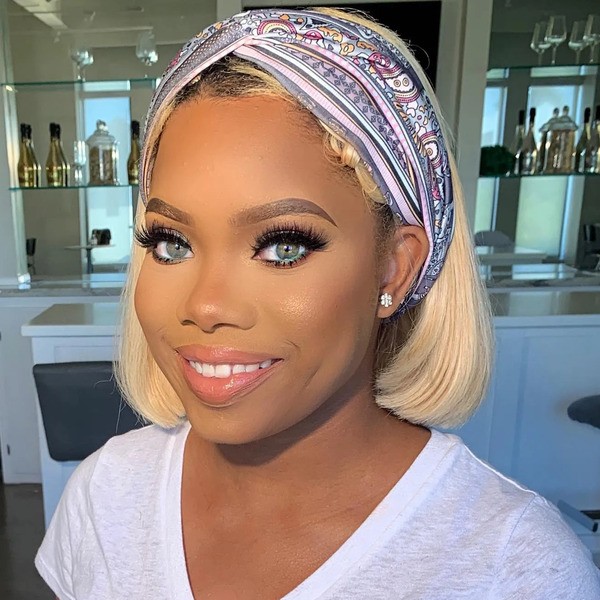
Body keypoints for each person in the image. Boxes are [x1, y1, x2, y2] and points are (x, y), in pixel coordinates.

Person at [35, 8, 600, 599]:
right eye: (171, 243)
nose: (205, 306)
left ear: (396, 267)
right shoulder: (107, 494)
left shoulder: (514, 568)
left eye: (282, 246)